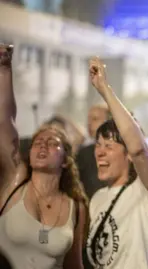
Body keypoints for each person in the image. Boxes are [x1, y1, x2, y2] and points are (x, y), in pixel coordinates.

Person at [0, 44, 88, 269]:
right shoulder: (16, 184)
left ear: (67, 159)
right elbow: (5, 124)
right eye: (38, 142)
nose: (42, 146)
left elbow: (74, 265)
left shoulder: (76, 206)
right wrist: (4, 69)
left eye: (52, 143)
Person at [85, 57, 148, 269]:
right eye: (98, 145)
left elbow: (139, 150)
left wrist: (104, 89)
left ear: (127, 155)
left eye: (109, 146)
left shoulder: (147, 191)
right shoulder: (97, 199)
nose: (100, 153)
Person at [76, 103, 110, 199]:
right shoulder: (83, 153)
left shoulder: (122, 152)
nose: (89, 123)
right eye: (89, 119)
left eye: (95, 119)